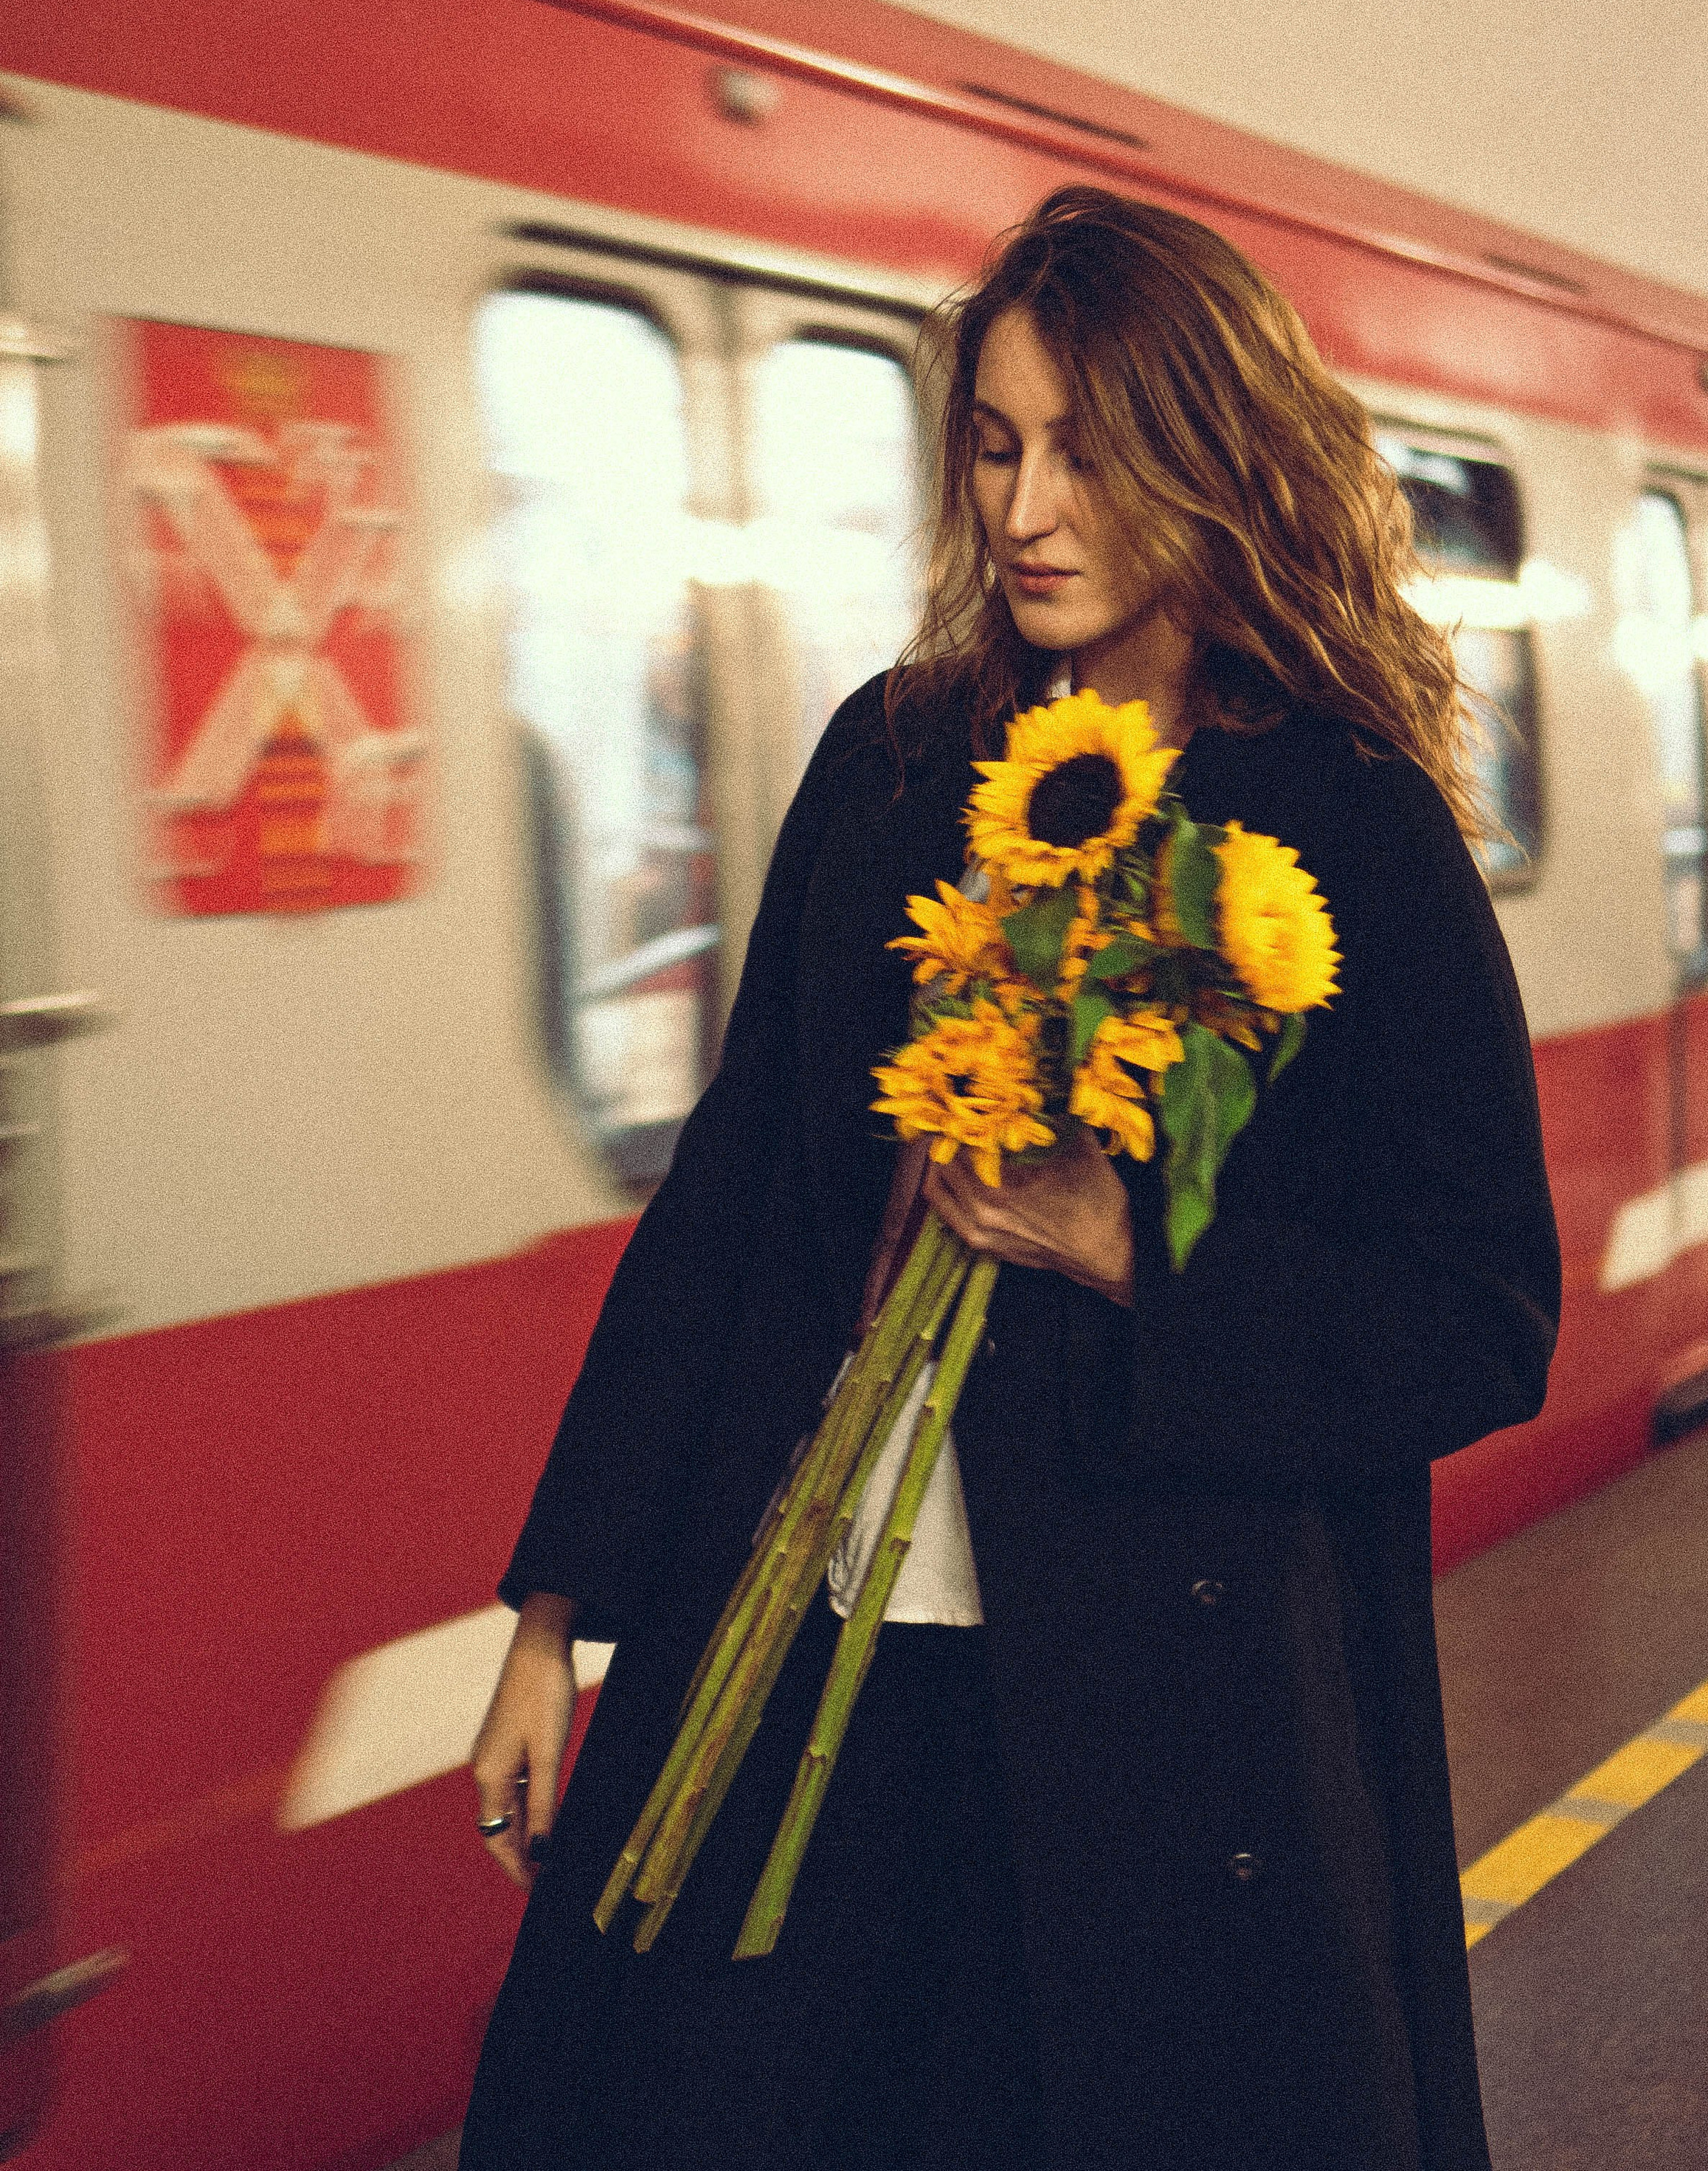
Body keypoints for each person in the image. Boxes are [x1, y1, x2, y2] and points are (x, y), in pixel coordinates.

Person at [458, 185, 1560, 2171]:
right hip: (805, 1648)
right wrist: (559, 1610)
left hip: (1164, 1728)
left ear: (1212, 464)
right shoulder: (892, 771)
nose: (1027, 506)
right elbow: (729, 1209)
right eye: (994, 445)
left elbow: (1480, 1310)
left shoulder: (1348, 827)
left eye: (1085, 451)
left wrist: (1136, 1250)